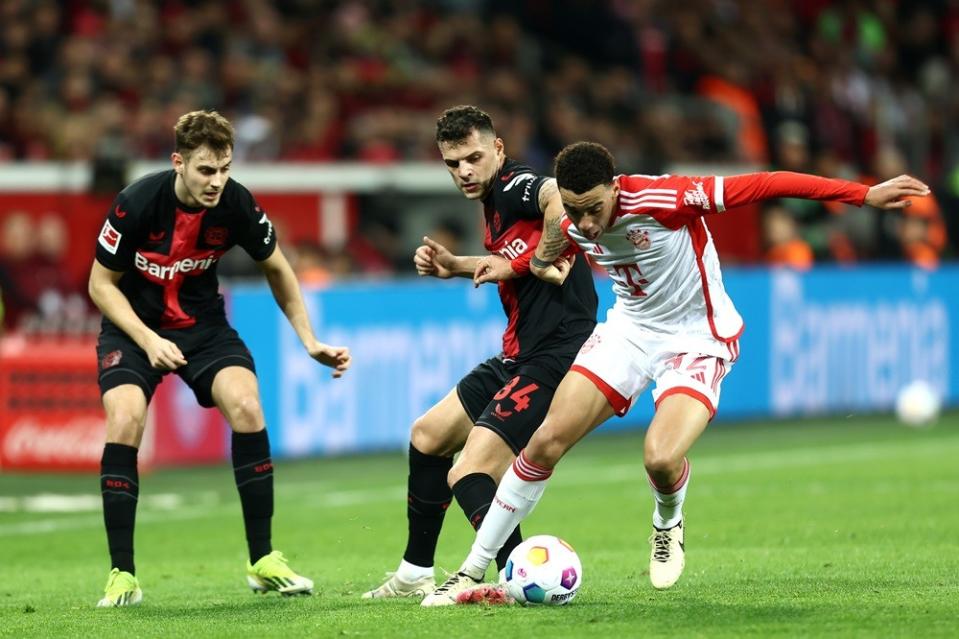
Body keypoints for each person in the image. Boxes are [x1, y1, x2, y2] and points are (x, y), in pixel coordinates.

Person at [422, 141, 929, 604]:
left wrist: (863, 195)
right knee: (544, 441)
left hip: (696, 338)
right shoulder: (571, 219)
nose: (589, 223)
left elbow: (767, 183)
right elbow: (545, 253)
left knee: (660, 458)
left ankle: (667, 521)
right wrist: (482, 266)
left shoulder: (666, 197)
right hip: (629, 331)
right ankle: (470, 572)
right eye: (576, 212)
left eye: (595, 209)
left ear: (616, 188)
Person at [87, 110, 351, 607]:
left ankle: (263, 560)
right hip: (132, 328)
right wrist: (146, 340)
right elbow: (100, 284)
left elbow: (278, 267)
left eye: (225, 168)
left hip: (204, 328)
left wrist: (308, 339)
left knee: (248, 407)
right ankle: (122, 574)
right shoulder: (136, 203)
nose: (217, 181)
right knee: (125, 417)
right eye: (207, 170)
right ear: (179, 163)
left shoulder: (236, 204)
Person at [362, 106, 597, 600]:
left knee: (469, 470)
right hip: (520, 353)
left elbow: (557, 199)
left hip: (555, 356)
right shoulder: (493, 198)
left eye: (473, 157)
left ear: (497, 150)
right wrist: (456, 265)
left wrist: (540, 259)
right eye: (452, 163)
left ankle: (516, 578)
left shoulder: (515, 186)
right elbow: (514, 261)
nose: (464, 171)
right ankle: (413, 572)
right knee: (428, 435)